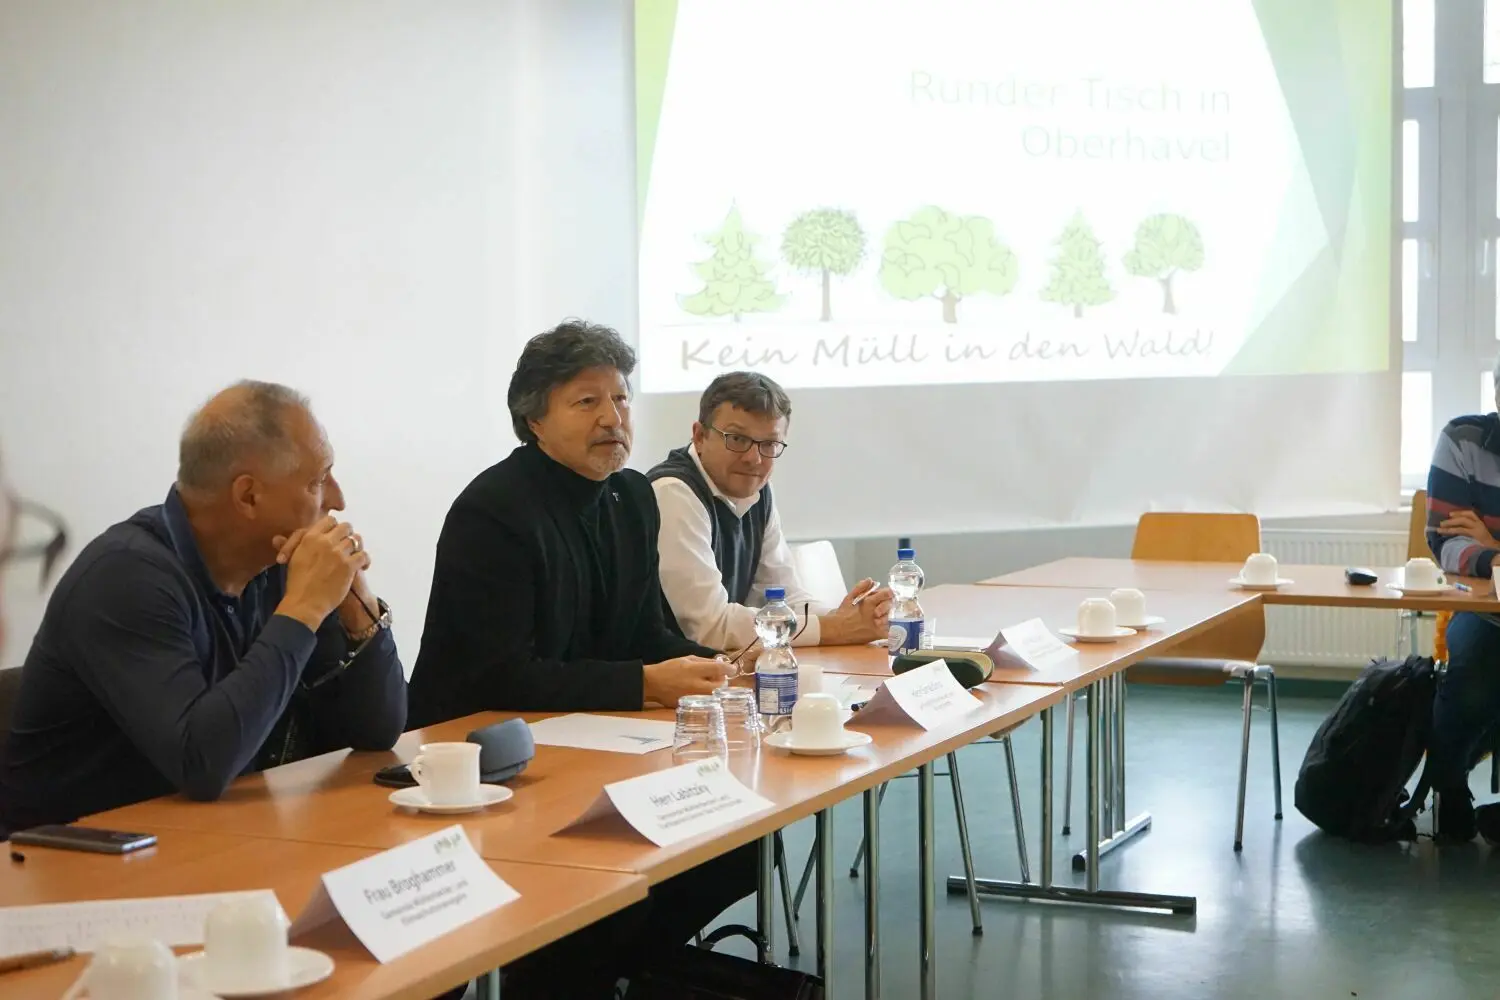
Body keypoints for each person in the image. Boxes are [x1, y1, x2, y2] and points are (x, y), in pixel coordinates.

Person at [408, 320, 751, 1000]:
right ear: (534, 419)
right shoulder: (494, 511)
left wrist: (718, 665)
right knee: (598, 883)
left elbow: (646, 632)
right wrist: (645, 684)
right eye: (586, 402)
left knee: (734, 848)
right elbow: (500, 675)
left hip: (588, 742)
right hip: (484, 757)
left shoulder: (630, 498)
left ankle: (603, 972)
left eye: (620, 399)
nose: (612, 418)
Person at [0, 382, 406, 833]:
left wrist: (357, 605)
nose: (337, 500)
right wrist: (304, 608)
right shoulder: (125, 577)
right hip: (67, 858)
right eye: (317, 481)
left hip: (209, 836)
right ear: (248, 496)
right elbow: (202, 764)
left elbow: (377, 730)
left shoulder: (279, 564)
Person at [649, 370, 892, 650]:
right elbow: (712, 627)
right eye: (737, 439)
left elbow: (784, 597)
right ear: (700, 436)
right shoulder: (673, 492)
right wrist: (837, 627)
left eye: (769, 444)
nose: (754, 459)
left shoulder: (758, 490)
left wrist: (849, 617)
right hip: (665, 672)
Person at [1425, 363, 1500, 842]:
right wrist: (1493, 554)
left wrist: (1492, 543)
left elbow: (1476, 545)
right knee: (1473, 670)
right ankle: (1449, 786)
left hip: (1486, 583)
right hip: (1485, 611)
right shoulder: (1462, 440)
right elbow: (1447, 542)